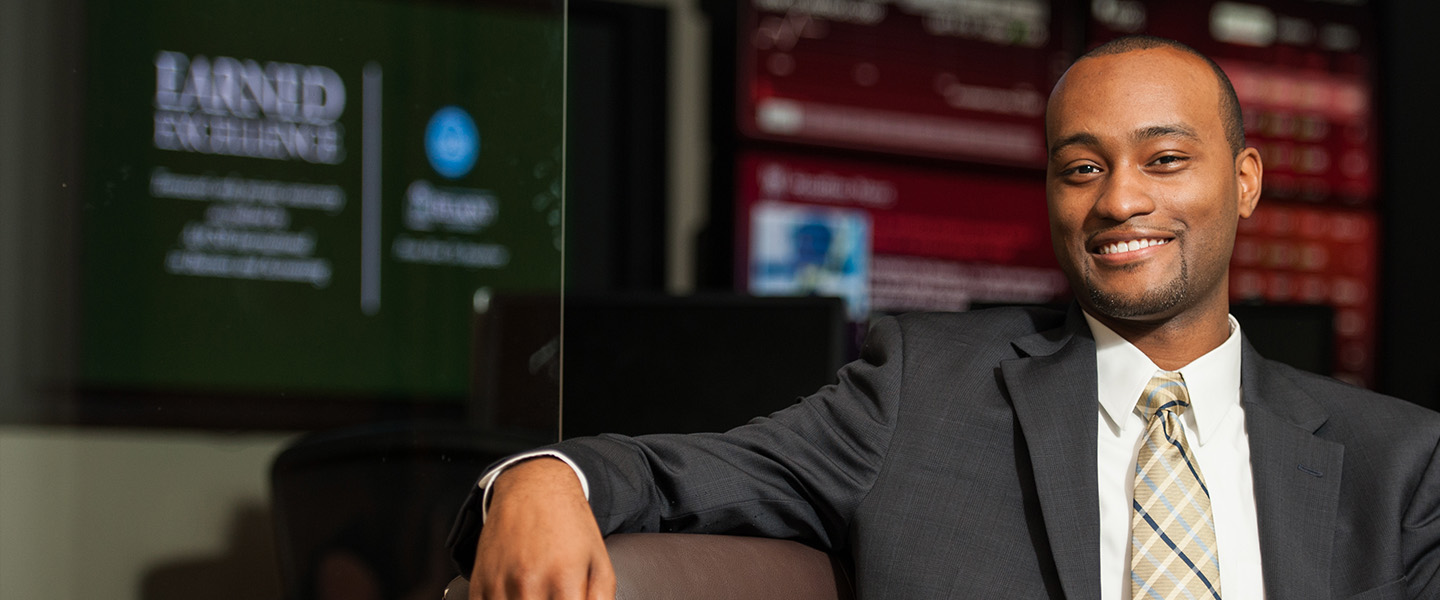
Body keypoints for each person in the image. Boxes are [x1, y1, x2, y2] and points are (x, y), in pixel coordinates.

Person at [447, 36, 1440, 599]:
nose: (1119, 200)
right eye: (1081, 167)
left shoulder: (1399, 463)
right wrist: (539, 478)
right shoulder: (924, 389)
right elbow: (687, 472)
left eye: (1165, 160)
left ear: (1247, 181)